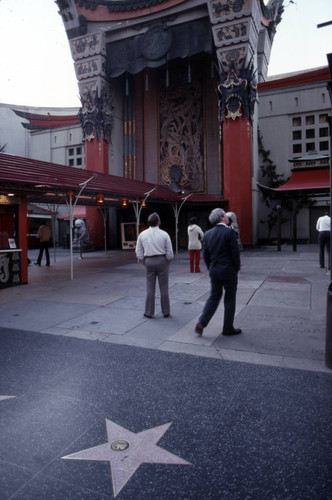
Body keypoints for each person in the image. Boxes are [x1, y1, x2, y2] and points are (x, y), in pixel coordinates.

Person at [195, 208, 241, 336]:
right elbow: (235, 253)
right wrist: (236, 268)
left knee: (214, 296)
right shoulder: (229, 232)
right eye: (225, 215)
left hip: (214, 269)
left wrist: (211, 268)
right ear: (221, 217)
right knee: (230, 298)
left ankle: (202, 322)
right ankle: (227, 327)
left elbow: (206, 255)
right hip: (228, 269)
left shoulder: (208, 234)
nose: (227, 216)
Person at [135, 212, 174, 318]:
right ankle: (166, 311)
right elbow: (169, 251)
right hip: (162, 260)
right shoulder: (164, 234)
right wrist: (168, 260)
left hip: (149, 261)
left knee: (150, 288)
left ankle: (149, 312)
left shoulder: (142, 234)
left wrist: (142, 260)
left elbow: (138, 250)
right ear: (158, 222)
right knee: (164, 288)